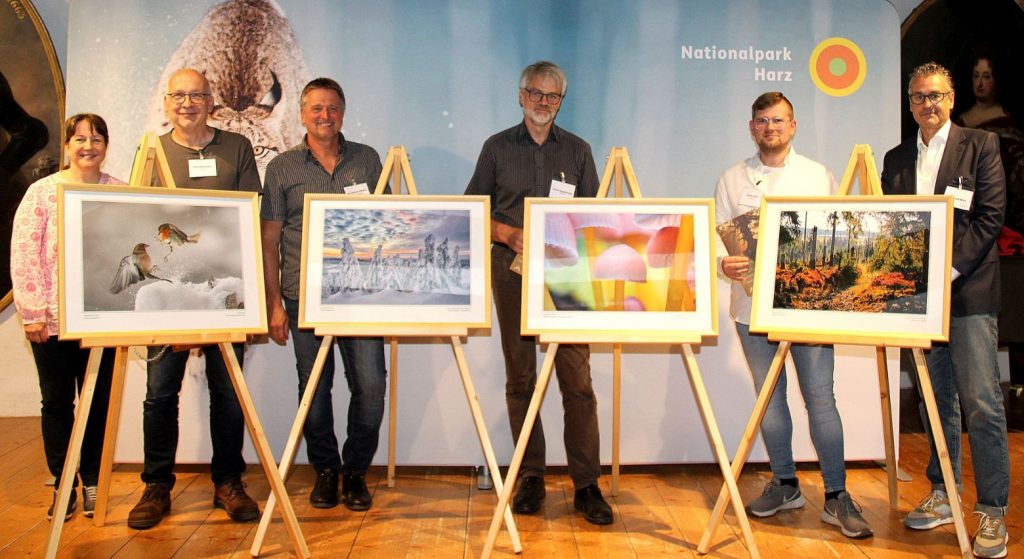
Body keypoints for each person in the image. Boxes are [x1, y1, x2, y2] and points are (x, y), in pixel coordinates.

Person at [714, 92, 872, 539]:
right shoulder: (731, 178)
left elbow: (841, 239)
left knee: (821, 399)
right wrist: (724, 265)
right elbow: (719, 244)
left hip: (811, 307)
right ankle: (785, 483)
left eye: (778, 120)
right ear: (752, 128)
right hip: (751, 310)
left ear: (794, 125)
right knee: (769, 400)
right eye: (762, 121)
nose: (771, 128)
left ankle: (837, 494)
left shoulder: (818, 175)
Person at [464, 60, 612, 525]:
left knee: (577, 382)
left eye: (552, 96)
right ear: (521, 95)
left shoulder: (580, 150)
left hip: (565, 277)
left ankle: (586, 484)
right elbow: (472, 212)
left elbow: (595, 221)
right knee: (520, 379)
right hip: (510, 273)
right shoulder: (496, 148)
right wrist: (508, 234)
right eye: (536, 93)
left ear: (560, 102)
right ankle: (531, 476)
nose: (543, 103)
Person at [881, 61, 1010, 559]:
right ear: (910, 103)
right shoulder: (895, 160)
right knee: (936, 402)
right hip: (919, 304)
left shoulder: (981, 147)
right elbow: (894, 228)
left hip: (968, 295)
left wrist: (947, 273)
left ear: (951, 100)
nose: (927, 104)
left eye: (935, 95)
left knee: (981, 402)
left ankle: (993, 511)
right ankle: (943, 491)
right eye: (918, 97)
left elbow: (991, 217)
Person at [127, 68, 262, 530]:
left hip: (226, 290)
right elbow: (136, 218)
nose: (188, 103)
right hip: (169, 290)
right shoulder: (151, 150)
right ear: (167, 103)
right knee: (160, 392)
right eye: (179, 95)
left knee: (228, 392)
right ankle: (156, 486)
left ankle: (228, 482)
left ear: (212, 102)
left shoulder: (236, 148)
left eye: (197, 95)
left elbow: (251, 216)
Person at [261, 77, 387, 511]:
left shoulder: (369, 161)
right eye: (316, 108)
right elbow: (269, 239)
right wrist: (274, 303)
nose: (325, 116)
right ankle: (326, 471)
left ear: (343, 112)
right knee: (314, 388)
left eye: (332, 108)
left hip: (361, 297)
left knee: (370, 388)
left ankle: (355, 472)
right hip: (302, 297)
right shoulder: (281, 168)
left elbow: (386, 226)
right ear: (301, 114)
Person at [12, 113, 120, 520]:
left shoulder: (119, 192)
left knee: (98, 402)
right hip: (53, 321)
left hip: (103, 322)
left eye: (96, 138)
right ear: (68, 147)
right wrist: (33, 314)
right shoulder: (42, 193)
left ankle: (93, 480)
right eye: (79, 138)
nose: (88, 146)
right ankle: (63, 483)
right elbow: (24, 255)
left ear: (107, 145)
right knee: (57, 402)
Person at [955, 52, 1024, 428]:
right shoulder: (961, 126)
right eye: (976, 75)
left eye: (988, 75)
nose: (981, 82)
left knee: (983, 397)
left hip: (999, 232)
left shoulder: (1009, 123)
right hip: (967, 236)